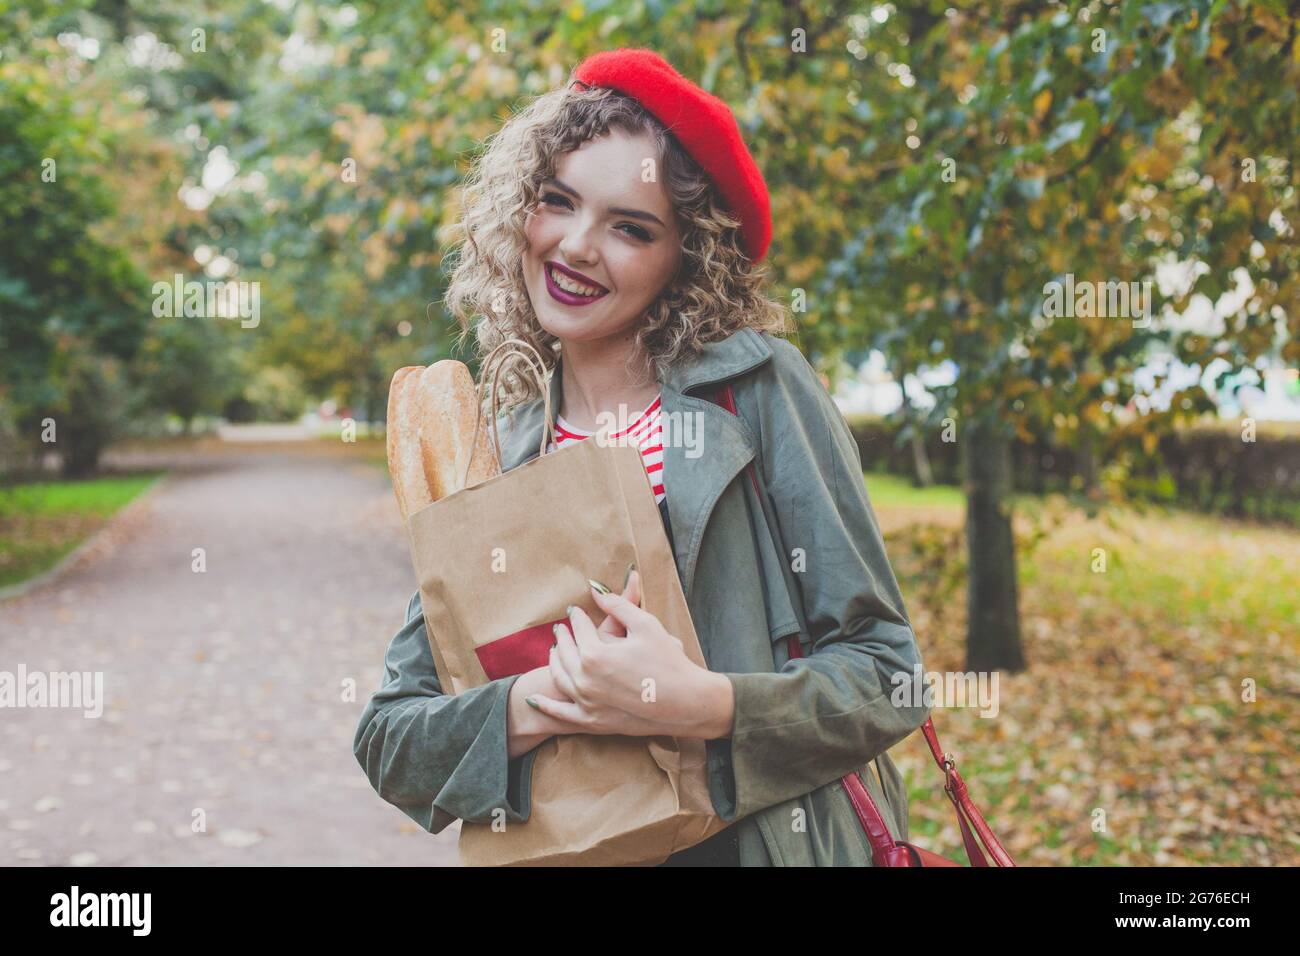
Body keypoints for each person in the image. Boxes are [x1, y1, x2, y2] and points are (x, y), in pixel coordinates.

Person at [354, 48, 931, 866]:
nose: (578, 246)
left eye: (631, 227)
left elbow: (888, 677)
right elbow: (390, 737)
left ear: (684, 259)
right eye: (558, 201)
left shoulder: (756, 390)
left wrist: (704, 705)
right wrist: (538, 701)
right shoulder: (503, 448)